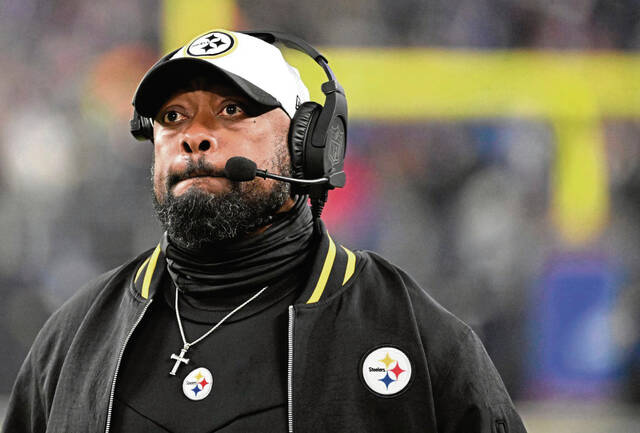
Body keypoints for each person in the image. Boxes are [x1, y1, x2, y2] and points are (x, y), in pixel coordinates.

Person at [2, 29, 527, 433]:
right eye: (173, 115)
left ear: (308, 143)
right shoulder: (75, 339)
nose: (195, 138)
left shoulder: (414, 336)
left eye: (232, 110)